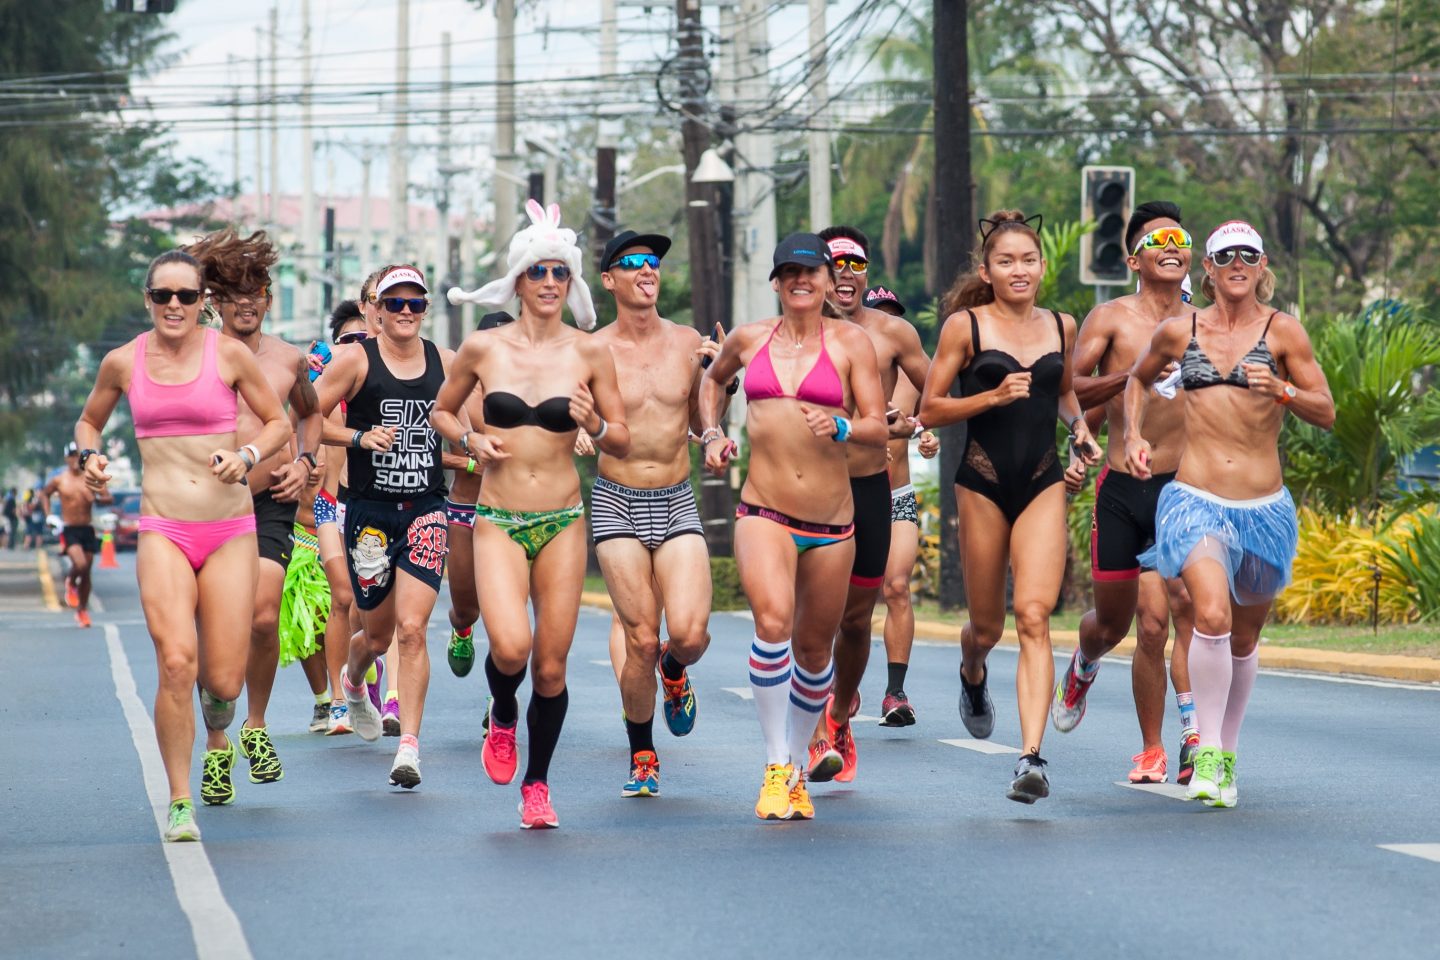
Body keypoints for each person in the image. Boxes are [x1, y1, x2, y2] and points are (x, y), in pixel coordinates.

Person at [74, 248, 291, 841]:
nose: (175, 306)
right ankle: (178, 801)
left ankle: (218, 717)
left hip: (229, 532)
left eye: (187, 297)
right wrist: (89, 457)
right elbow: (89, 422)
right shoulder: (124, 361)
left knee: (222, 680)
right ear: (147, 300)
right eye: (163, 296)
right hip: (163, 529)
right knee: (175, 661)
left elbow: (279, 425)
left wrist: (246, 456)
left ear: (203, 303)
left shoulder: (229, 355)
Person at [1124, 220, 1334, 807]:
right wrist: (1135, 436)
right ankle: (1209, 753)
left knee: (1244, 636)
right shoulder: (1178, 330)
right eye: (1224, 255)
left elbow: (1327, 410)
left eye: (1248, 254)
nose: (1237, 263)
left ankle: (1228, 750)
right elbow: (1137, 381)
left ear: (1262, 265)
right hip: (1195, 499)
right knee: (1210, 615)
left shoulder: (1284, 332)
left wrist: (1284, 392)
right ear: (1208, 269)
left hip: (1264, 510)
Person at [437, 200, 630, 829]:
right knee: (513, 650)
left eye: (559, 274)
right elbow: (443, 411)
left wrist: (594, 423)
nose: (550, 284)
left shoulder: (589, 352)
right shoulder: (482, 347)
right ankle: (501, 713)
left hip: (563, 521)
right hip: (497, 517)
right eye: (538, 272)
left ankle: (538, 785)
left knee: (550, 665)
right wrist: (471, 442)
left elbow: (621, 436)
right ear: (518, 280)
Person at [697, 232, 888, 821]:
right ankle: (777, 762)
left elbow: (879, 426)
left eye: (811, 272)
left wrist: (842, 427)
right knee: (773, 621)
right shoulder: (752, 339)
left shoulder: (853, 342)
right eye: (789, 273)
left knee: (813, 649)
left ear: (829, 281)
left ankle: (801, 767)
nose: (800, 281)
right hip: (764, 509)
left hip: (833, 522)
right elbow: (712, 382)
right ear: (777, 282)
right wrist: (711, 433)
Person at [919, 211, 1101, 804]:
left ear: (1042, 267)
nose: (1018, 270)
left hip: (1043, 479)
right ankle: (973, 672)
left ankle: (1031, 759)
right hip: (982, 480)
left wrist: (1079, 429)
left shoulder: (1062, 324)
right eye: (1006, 261)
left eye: (1028, 260)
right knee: (989, 626)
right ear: (987, 271)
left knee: (1033, 616)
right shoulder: (964, 328)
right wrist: (992, 395)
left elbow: (1066, 391)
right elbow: (929, 409)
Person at [1051, 201, 1200, 785]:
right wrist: (1134, 375)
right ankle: (1085, 661)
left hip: (1185, 489)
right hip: (1122, 488)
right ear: (1136, 258)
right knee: (1115, 625)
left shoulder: (1205, 323)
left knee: (1170, 618)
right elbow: (1070, 389)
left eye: (1180, 238)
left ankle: (1171, 745)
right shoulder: (1111, 319)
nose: (1171, 246)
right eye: (1157, 239)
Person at [184, 227, 322, 792]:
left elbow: (310, 415)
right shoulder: (193, 354)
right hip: (204, 504)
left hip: (268, 501)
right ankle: (216, 741)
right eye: (233, 291)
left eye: (256, 289)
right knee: (214, 631)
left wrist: (305, 464)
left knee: (265, 615)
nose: (246, 300)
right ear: (215, 299)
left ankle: (256, 725)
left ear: (268, 297)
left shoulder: (289, 358)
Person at [589, 229, 724, 798]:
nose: (648, 270)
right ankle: (642, 752)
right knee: (641, 638)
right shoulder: (591, 349)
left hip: (675, 497)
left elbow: (701, 417)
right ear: (609, 279)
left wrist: (721, 397)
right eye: (633, 263)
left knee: (689, 634)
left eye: (654, 263)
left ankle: (676, 670)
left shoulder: (688, 341)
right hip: (615, 499)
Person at [315, 264, 459, 789]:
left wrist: (478, 442)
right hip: (369, 514)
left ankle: (409, 749)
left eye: (414, 304)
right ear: (376, 309)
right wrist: (357, 438)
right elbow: (308, 414)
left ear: (424, 310)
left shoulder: (445, 360)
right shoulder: (356, 360)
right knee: (374, 636)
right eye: (394, 303)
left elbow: (481, 409)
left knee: (413, 629)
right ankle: (353, 683)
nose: (404, 312)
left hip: (425, 509)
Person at [804, 227, 932, 785]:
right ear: (819, 277)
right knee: (810, 619)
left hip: (873, 488)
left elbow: (939, 389)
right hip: (809, 492)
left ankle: (840, 713)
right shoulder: (795, 335)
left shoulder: (893, 334)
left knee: (857, 618)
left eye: (857, 262)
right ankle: (811, 738)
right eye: (836, 264)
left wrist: (926, 424)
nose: (848, 273)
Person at [860, 286, 940, 726]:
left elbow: (930, 416)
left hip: (896, 495)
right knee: (849, 600)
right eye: (880, 315)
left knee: (896, 587)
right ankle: (841, 683)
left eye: (894, 316)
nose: (888, 324)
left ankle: (895, 692)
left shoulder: (913, 375)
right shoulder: (846, 364)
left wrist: (927, 436)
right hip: (850, 495)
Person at [443, 310, 513, 680]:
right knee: (467, 605)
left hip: (512, 511)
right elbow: (427, 450)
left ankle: (499, 698)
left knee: (506, 617)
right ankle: (462, 628)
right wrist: (470, 462)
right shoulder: (461, 392)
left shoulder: (529, 390)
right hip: (465, 508)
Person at [313, 300, 367, 735]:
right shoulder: (327, 383)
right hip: (330, 504)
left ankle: (357, 680)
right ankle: (336, 701)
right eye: (347, 340)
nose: (355, 347)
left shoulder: (379, 382)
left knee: (368, 614)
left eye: (363, 340)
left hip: (372, 505)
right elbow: (305, 420)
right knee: (342, 597)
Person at [44, 442, 114, 627]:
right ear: (67, 458)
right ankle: (70, 581)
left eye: (78, 455)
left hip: (87, 528)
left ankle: (82, 610)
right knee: (80, 563)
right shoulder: (60, 480)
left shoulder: (90, 477)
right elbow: (44, 494)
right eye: (72, 455)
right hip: (70, 529)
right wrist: (49, 515)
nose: (76, 459)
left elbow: (108, 497)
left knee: (87, 571)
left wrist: (96, 498)